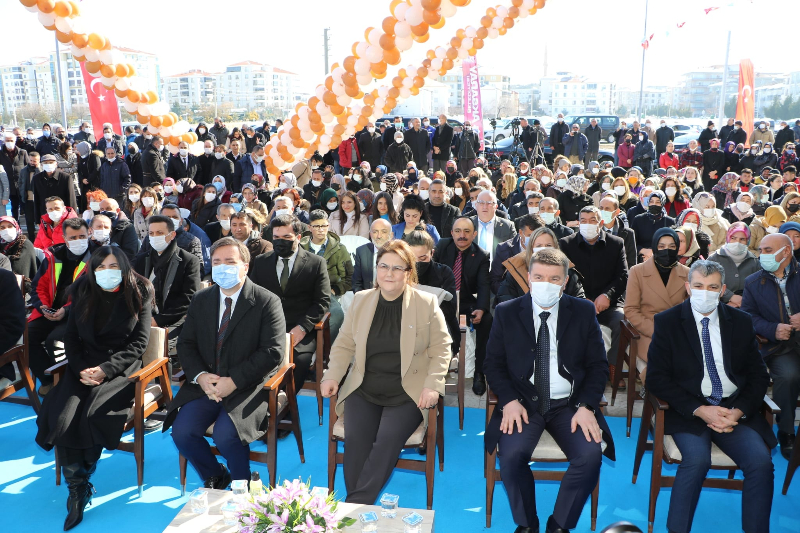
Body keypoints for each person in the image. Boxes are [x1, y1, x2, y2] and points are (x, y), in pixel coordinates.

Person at [484, 247, 614, 533]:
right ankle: (527, 524)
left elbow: (597, 366)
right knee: (511, 457)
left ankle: (559, 525)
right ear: (529, 277)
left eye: (554, 279)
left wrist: (587, 406)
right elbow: (492, 364)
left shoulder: (582, 311)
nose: (546, 284)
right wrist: (508, 401)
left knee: (590, 456)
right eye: (539, 277)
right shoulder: (507, 312)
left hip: (569, 403)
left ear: (565, 282)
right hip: (523, 402)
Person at [648, 260, 775, 533]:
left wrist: (739, 411)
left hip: (732, 411)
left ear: (723, 290)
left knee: (761, 463)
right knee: (696, 461)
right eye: (698, 286)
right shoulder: (668, 321)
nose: (705, 292)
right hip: (689, 410)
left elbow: (758, 375)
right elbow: (656, 378)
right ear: (688, 287)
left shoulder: (741, 322)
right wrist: (699, 409)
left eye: (712, 287)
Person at [320, 239, 451, 504]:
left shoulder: (425, 303)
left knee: (386, 442)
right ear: (376, 269)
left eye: (397, 268)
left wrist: (433, 385)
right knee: (356, 443)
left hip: (407, 392)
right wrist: (332, 375)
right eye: (383, 266)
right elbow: (344, 343)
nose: (389, 273)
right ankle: (358, 508)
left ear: (408, 272)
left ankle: (353, 507)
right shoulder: (361, 300)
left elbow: (442, 348)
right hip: (364, 388)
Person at [35, 246, 153, 530]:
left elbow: (139, 343)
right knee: (61, 415)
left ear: (124, 267)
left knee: (92, 415)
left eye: (112, 266)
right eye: (100, 267)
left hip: (120, 368)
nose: (106, 272)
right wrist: (80, 369)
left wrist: (105, 370)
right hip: (83, 365)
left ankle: (80, 482)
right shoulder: (82, 291)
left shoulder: (140, 292)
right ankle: (79, 488)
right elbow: (72, 337)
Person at [165, 237, 286, 488]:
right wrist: (200, 376)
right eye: (217, 262)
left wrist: (234, 381)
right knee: (182, 432)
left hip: (247, 385)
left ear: (246, 266)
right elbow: (186, 344)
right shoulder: (202, 299)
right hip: (206, 383)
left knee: (225, 435)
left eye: (230, 261)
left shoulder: (267, 301)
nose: (222, 267)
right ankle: (217, 475)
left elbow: (273, 352)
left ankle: (242, 484)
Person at [248, 215, 330, 394]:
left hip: (299, 331)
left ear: (298, 238)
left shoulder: (316, 264)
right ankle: (260, 402)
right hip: (266, 328)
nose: (280, 242)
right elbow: (251, 296)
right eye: (276, 237)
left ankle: (284, 404)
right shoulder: (262, 262)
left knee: (298, 363)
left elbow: (322, 301)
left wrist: (303, 327)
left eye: (286, 238)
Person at [741, 232, 800, 460]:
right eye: (761, 250)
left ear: (785, 251)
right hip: (778, 347)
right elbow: (748, 316)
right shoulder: (753, 282)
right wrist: (772, 328)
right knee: (788, 375)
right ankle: (786, 432)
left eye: (767, 250)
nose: (761, 255)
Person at [28, 218, 92, 395]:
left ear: (89, 235)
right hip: (50, 312)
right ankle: (49, 379)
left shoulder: (97, 257)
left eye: (82, 236)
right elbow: (38, 286)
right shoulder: (53, 256)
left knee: (54, 341)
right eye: (72, 237)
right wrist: (42, 307)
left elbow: (90, 294)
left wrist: (67, 310)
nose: (78, 240)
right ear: (64, 237)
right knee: (27, 337)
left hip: (78, 314)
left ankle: (67, 380)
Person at [560, 206, 629, 365]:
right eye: (583, 220)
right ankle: (575, 367)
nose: (587, 224)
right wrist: (582, 300)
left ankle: (613, 366)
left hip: (608, 303)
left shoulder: (616, 243)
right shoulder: (566, 244)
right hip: (577, 301)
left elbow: (622, 275)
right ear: (578, 222)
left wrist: (607, 296)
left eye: (593, 220)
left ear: (601, 222)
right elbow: (566, 275)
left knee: (622, 321)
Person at [433, 216, 492, 395]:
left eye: (467, 232)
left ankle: (479, 373)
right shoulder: (442, 246)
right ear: (451, 233)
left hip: (465, 302)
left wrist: (481, 308)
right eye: (458, 231)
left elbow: (483, 285)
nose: (462, 235)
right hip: (440, 300)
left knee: (487, 321)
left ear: (474, 234)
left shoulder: (482, 255)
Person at [624, 228, 689, 385]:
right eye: (661, 246)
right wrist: (656, 330)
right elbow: (631, 310)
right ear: (654, 247)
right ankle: (658, 405)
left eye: (672, 246)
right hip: (647, 332)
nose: (667, 251)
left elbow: (690, 308)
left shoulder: (687, 273)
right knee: (662, 363)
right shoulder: (637, 271)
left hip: (676, 332)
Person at [301, 210, 351, 338]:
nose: (321, 229)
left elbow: (350, 277)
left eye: (324, 226)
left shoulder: (339, 249)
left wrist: (336, 289)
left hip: (327, 293)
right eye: (317, 226)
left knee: (337, 315)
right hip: (301, 292)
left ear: (328, 226)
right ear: (309, 227)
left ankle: (328, 352)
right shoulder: (299, 247)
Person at [707, 222, 759, 309]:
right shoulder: (714, 258)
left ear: (748, 241)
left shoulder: (754, 261)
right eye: (733, 238)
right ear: (727, 238)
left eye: (742, 239)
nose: (737, 242)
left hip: (746, 309)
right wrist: (730, 296)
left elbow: (758, 288)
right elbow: (707, 283)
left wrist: (741, 301)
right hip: (717, 308)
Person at [490, 214, 542, 294]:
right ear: (521, 232)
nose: (534, 240)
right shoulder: (504, 249)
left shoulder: (548, 248)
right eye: (530, 236)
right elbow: (495, 281)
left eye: (538, 236)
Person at [32, 154, 77, 224]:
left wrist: (72, 219)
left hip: (63, 215)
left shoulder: (65, 178)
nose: (48, 165)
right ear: (41, 165)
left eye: (51, 162)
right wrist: (38, 220)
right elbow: (37, 200)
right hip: (45, 215)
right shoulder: (37, 178)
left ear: (56, 164)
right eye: (45, 163)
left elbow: (71, 199)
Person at [353, 218, 394, 293]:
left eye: (383, 232)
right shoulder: (362, 251)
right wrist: (364, 299)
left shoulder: (398, 253)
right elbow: (356, 283)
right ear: (370, 234)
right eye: (375, 232)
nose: (379, 236)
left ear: (391, 235)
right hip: (368, 298)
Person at [599, 195, 637, 267]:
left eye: (607, 209)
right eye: (601, 208)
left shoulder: (628, 233)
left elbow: (631, 262)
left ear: (617, 212)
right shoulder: (594, 231)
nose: (603, 211)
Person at [0, 215, 37, 283]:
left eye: (10, 226)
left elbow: (18, 267)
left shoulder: (25, 244)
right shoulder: (2, 244)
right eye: (2, 228)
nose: (6, 230)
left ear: (16, 227)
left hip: (22, 285)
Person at [1, 131, 27, 222]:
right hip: (9, 186)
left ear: (15, 141)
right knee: (14, 208)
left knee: (25, 207)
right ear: (4, 141)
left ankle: (29, 227)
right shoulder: (1, 154)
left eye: (11, 140)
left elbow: (28, 167)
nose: (9, 142)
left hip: (22, 185)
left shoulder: (22, 152)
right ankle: (16, 225)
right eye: (7, 140)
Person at [18, 151, 41, 236]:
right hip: (27, 199)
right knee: (29, 220)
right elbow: (20, 182)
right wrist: (21, 191)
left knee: (40, 220)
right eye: (30, 160)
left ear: (38, 161)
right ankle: (31, 239)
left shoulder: (41, 170)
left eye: (34, 161)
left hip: (39, 199)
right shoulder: (24, 170)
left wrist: (38, 168)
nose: (32, 162)